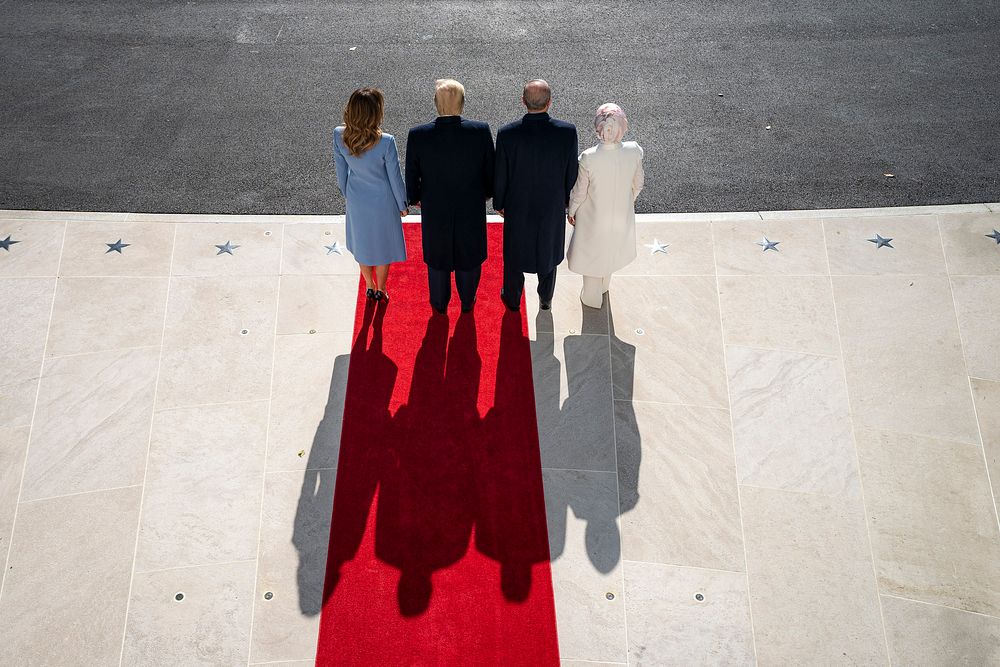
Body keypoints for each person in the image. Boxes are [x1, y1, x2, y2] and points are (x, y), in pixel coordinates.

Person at [405, 79, 495, 314]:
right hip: (470, 206)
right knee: (469, 256)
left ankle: (439, 304)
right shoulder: (480, 131)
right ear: (462, 103)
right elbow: (490, 171)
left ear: (436, 103)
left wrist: (415, 197)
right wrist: (486, 194)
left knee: (437, 258)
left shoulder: (418, 135)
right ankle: (467, 300)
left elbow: (412, 174)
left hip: (435, 209)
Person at [493, 79, 578, 311]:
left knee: (513, 254)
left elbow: (501, 173)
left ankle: (511, 298)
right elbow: (572, 173)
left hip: (517, 205)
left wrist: (499, 203)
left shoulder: (507, 133)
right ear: (549, 102)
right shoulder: (567, 132)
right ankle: (545, 298)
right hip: (551, 206)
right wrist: (570, 204)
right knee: (548, 253)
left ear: (523, 101)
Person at [333, 87, 408, 304]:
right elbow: (394, 176)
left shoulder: (339, 135)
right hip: (383, 201)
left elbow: (341, 172)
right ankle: (381, 289)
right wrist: (402, 203)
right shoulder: (386, 141)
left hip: (357, 198)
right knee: (383, 246)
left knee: (363, 244)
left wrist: (348, 193)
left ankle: (369, 285)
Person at [567, 103, 644, 307]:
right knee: (610, 250)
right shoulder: (634, 151)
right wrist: (626, 202)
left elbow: (579, 192)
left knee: (592, 256)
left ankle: (591, 297)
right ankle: (604, 286)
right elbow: (638, 184)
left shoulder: (588, 157)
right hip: (620, 214)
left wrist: (572, 211)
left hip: (593, 217)